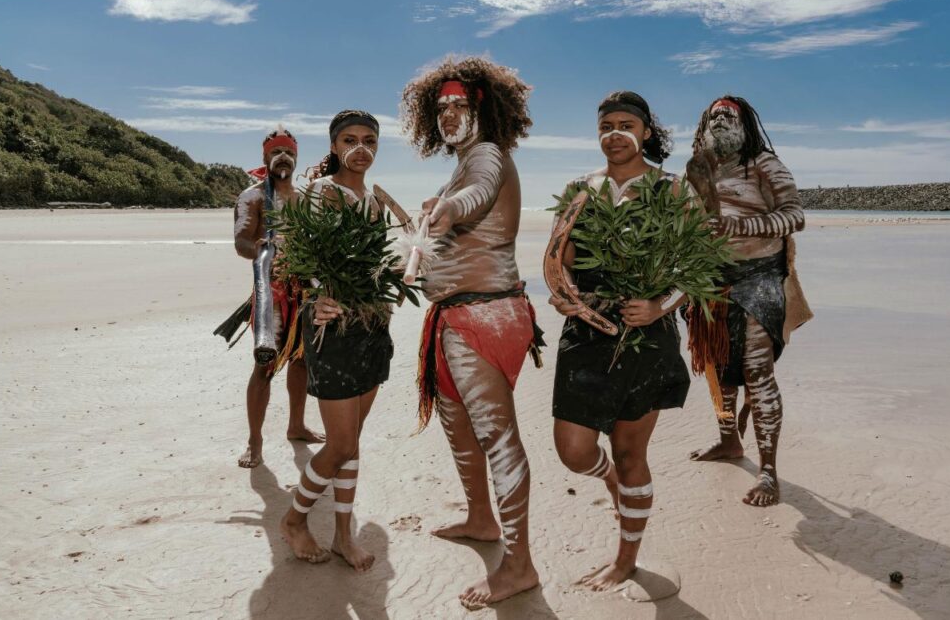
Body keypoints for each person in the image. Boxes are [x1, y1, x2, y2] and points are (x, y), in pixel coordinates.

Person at [400, 57, 544, 610]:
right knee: (460, 429)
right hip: (459, 318)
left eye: (460, 104)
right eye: (441, 108)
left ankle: (520, 565)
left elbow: (479, 195)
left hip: (484, 317)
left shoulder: (485, 156)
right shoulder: (459, 165)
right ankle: (482, 520)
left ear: (484, 108)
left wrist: (450, 208)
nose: (449, 114)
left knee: (496, 437)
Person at [548, 90, 691, 591]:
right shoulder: (578, 189)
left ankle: (626, 558)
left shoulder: (672, 190)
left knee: (633, 454)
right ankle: (606, 479)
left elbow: (692, 267)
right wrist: (564, 297)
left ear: (646, 132)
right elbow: (558, 259)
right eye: (606, 123)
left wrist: (658, 306)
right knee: (572, 449)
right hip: (586, 332)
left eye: (626, 123)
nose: (615, 132)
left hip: (646, 337)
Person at [278, 110, 394, 570]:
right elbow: (295, 256)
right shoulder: (324, 193)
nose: (360, 147)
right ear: (333, 146)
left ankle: (344, 534)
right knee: (341, 444)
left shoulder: (376, 200)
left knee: (352, 439)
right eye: (350, 139)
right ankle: (294, 518)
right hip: (334, 330)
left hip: (371, 328)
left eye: (369, 139)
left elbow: (381, 264)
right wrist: (316, 296)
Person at [686, 96, 812, 507]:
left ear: (745, 126)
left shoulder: (762, 164)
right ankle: (728, 441)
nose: (721, 122)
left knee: (757, 373)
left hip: (758, 280)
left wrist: (741, 224)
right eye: (714, 117)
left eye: (729, 116)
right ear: (703, 126)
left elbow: (794, 215)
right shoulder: (698, 171)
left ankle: (769, 471)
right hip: (710, 285)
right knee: (717, 368)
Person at [226, 127, 324, 470]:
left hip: (302, 293)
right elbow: (241, 242)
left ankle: (296, 425)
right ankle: (255, 440)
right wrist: (264, 253)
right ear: (265, 157)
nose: (283, 157)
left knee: (302, 361)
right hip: (272, 294)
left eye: (289, 151)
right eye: (276, 151)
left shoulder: (302, 196)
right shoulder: (251, 197)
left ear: (296, 157)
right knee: (264, 365)